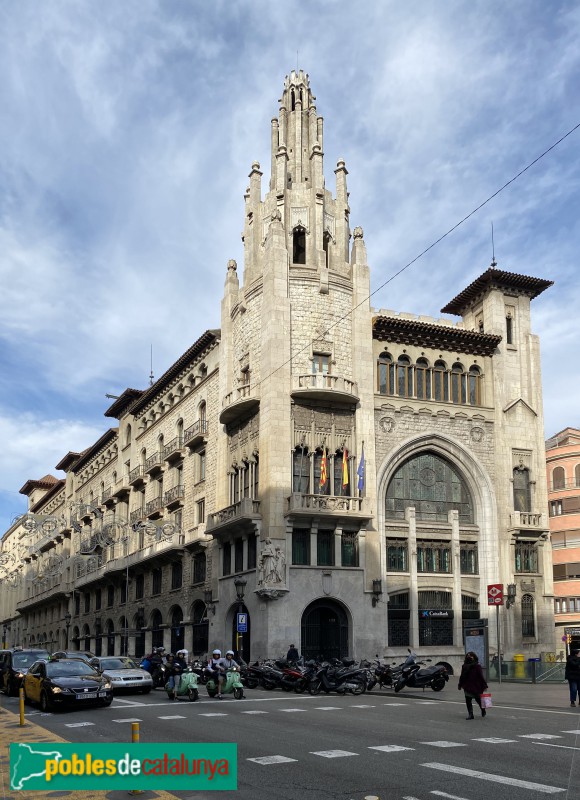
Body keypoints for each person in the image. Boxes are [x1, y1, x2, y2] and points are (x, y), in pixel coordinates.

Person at [458, 651, 488, 720]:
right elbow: (462, 676)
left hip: (476, 686)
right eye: (468, 656)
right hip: (467, 685)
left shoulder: (477, 666)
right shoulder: (464, 666)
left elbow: (481, 676)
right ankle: (470, 714)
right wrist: (460, 684)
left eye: (471, 656)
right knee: (468, 700)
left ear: (474, 657)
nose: (469, 657)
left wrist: (484, 685)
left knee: (478, 700)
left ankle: (483, 709)